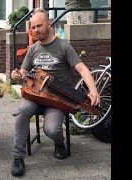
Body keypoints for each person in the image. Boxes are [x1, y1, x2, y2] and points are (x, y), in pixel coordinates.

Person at [10, 8, 100, 176]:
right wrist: (17, 76)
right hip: (35, 96)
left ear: (48, 24)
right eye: (33, 27)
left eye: (39, 26)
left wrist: (93, 90)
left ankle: (59, 143)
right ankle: (18, 157)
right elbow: (23, 73)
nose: (36, 30)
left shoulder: (63, 46)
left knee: (51, 130)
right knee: (22, 112)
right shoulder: (33, 49)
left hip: (57, 100)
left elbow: (82, 68)